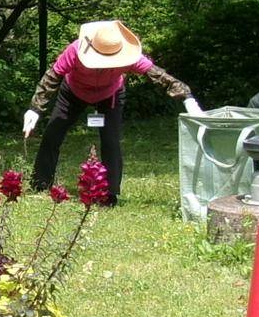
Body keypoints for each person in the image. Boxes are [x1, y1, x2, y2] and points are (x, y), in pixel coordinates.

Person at [23, 19, 203, 204]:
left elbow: (161, 77)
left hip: (110, 95)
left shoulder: (131, 57)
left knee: (111, 141)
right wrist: (35, 109)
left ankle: (109, 194)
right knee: (52, 134)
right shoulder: (75, 50)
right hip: (73, 92)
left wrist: (187, 97)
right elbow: (53, 76)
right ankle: (40, 183)